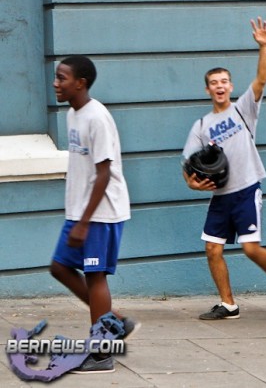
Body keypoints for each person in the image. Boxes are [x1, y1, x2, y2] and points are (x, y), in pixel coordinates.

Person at [182, 17, 266, 320]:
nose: (219, 86)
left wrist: (264, 47)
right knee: (212, 249)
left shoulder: (243, 109)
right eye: (214, 83)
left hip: (246, 188)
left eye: (223, 82)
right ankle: (229, 304)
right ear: (207, 89)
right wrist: (192, 184)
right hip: (220, 196)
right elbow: (188, 163)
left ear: (230, 86)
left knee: (250, 248)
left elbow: (261, 80)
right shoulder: (202, 125)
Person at [49, 55, 136, 373]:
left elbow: (103, 173)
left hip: (101, 212)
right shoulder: (74, 114)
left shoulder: (97, 117)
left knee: (95, 275)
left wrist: (84, 222)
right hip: (80, 210)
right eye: (56, 77)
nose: (56, 83)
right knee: (60, 267)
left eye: (62, 78)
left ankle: (102, 354)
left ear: (80, 83)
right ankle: (115, 322)